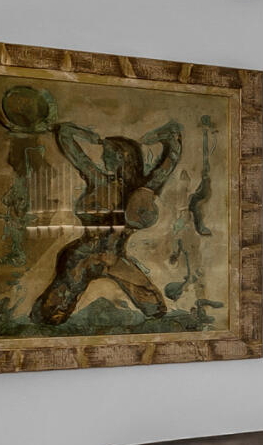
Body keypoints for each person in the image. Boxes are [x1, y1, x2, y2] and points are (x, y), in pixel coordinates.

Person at [31, 118, 180, 326]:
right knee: (51, 314)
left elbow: (169, 160)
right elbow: (66, 139)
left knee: (155, 308)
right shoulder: (98, 179)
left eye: (107, 153)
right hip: (82, 257)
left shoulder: (142, 189)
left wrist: (167, 137)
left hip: (115, 259)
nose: (103, 157)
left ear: (121, 156)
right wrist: (86, 135)